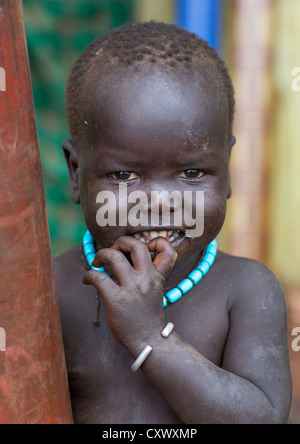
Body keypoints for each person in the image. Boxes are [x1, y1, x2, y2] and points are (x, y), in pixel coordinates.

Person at [54, 22, 292, 424]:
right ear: (77, 174)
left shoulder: (247, 290)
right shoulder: (50, 289)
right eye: (125, 176)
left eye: (194, 173)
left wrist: (150, 337)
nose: (161, 203)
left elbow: (263, 418)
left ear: (228, 171)